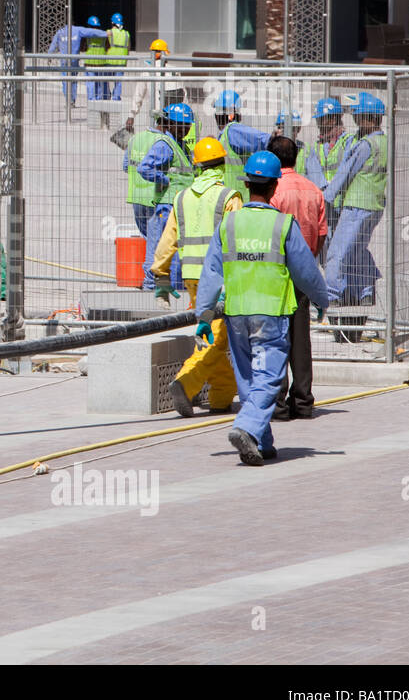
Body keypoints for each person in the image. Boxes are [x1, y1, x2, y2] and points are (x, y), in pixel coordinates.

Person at [196, 152, 328, 466]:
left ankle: (262, 441)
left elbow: (211, 271)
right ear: (273, 188)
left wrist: (203, 315)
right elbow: (306, 271)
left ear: (249, 184)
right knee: (268, 377)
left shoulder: (229, 223)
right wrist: (321, 300)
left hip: (237, 312)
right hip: (270, 313)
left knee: (247, 378)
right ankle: (246, 427)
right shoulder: (282, 224)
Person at [154, 138, 242, 416]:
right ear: (223, 164)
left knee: (214, 337)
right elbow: (237, 241)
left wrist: (161, 273)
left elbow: (168, 240)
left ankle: (221, 396)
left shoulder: (181, 198)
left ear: (197, 167)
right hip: (220, 281)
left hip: (192, 279)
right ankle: (185, 382)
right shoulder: (230, 197)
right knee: (216, 340)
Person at [267, 134, 327, 420]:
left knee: (277, 338)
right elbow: (323, 233)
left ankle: (278, 403)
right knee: (301, 340)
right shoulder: (314, 190)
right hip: (304, 271)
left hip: (278, 272)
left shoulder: (274, 190)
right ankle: (303, 402)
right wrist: (311, 262)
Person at [322, 92, 387, 307]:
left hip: (356, 205)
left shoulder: (365, 145)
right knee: (358, 249)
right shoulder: (384, 142)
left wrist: (326, 198)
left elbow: (345, 173)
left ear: (368, 118)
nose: (356, 121)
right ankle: (365, 293)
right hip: (375, 206)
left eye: (358, 117)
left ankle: (332, 297)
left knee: (336, 253)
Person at [134, 102, 195, 292]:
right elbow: (144, 168)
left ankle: (172, 289)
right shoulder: (164, 145)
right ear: (170, 124)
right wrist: (164, 180)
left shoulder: (181, 145)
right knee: (159, 251)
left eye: (187, 126)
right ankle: (151, 289)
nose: (184, 129)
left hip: (178, 206)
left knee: (174, 252)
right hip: (165, 207)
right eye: (180, 125)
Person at [210, 89, 271, 194]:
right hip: (231, 193)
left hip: (236, 193)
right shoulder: (227, 133)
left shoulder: (233, 130)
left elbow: (264, 140)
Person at [311, 96, 354, 237]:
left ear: (333, 119)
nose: (318, 124)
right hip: (324, 203)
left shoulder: (348, 142)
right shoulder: (317, 146)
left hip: (343, 202)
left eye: (321, 119)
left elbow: (347, 169)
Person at [46, 20, 109, 105]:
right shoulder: (77, 30)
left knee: (65, 81)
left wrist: (49, 55)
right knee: (73, 80)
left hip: (64, 61)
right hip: (74, 60)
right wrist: (105, 33)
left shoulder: (60, 32)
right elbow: (91, 32)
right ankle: (73, 99)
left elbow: (53, 44)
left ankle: (69, 100)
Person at [126, 38, 184, 123]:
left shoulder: (148, 71)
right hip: (175, 115)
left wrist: (131, 115)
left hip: (157, 115)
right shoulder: (174, 70)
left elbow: (138, 95)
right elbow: (183, 93)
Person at [272, 110, 326, 190]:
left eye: (290, 129)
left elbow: (317, 181)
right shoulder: (272, 149)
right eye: (281, 128)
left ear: (298, 129)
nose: (285, 132)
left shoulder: (306, 150)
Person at [82, 15, 110, 101]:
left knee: (91, 82)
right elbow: (108, 46)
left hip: (89, 62)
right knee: (100, 83)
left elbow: (83, 48)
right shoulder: (104, 34)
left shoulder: (87, 35)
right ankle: (99, 100)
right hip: (101, 62)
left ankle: (91, 99)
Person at [106, 13, 130, 100]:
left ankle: (106, 96)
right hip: (121, 61)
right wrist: (126, 61)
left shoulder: (109, 32)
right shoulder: (127, 34)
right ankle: (116, 97)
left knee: (105, 80)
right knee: (118, 82)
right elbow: (128, 49)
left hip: (109, 61)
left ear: (112, 22)